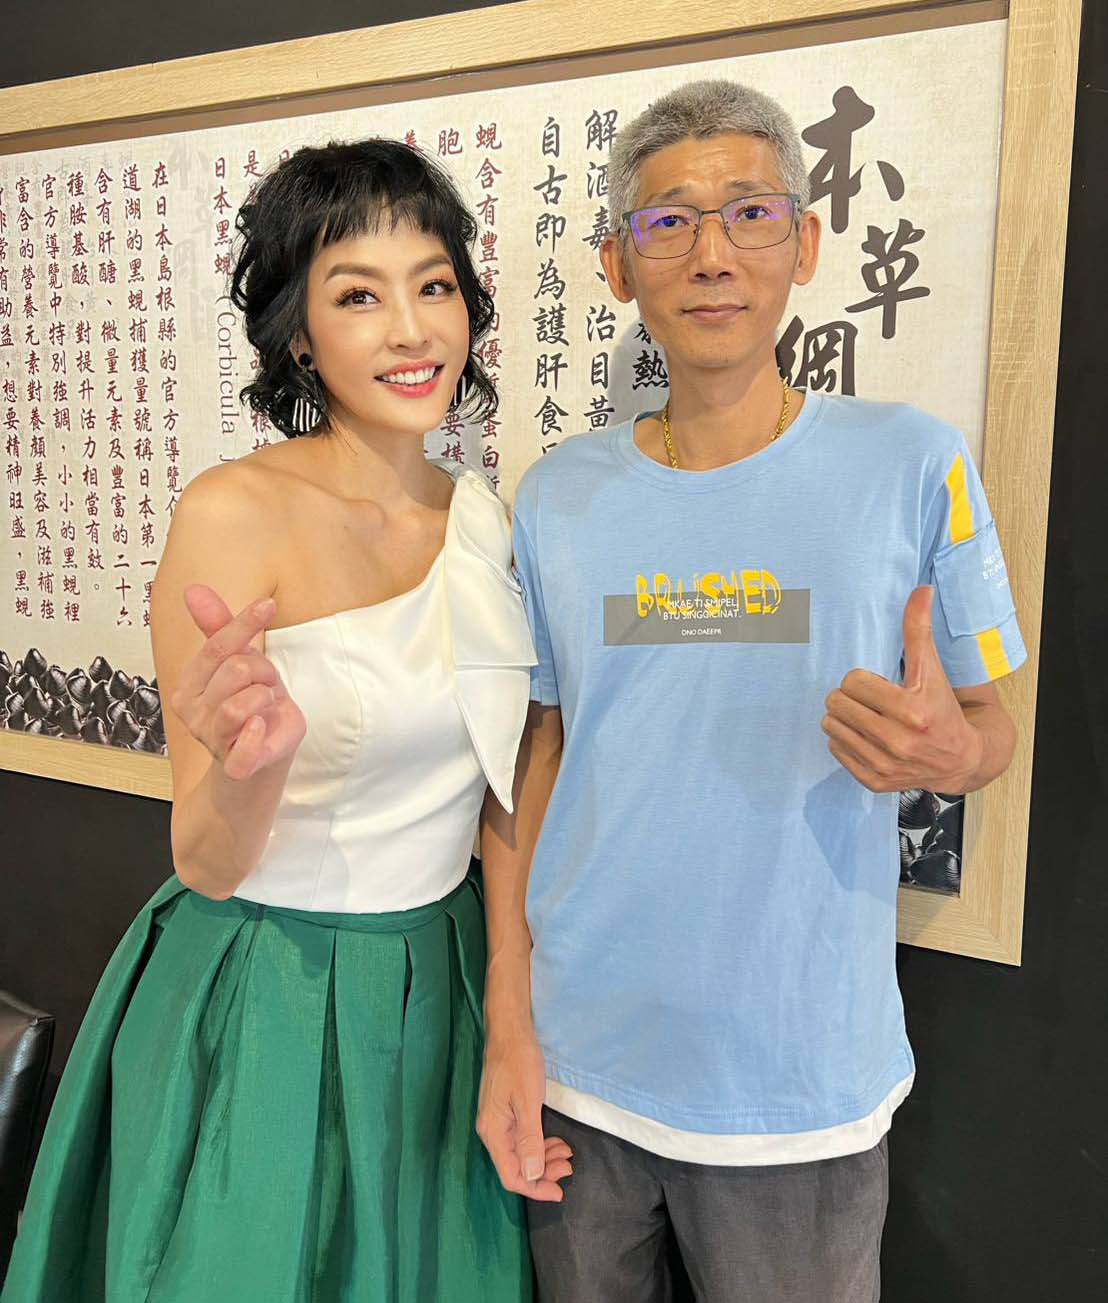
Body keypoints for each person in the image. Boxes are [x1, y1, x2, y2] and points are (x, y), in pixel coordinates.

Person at [478, 80, 1024, 1303]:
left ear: (805, 243)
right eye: (668, 221)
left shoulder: (910, 462)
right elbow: (536, 757)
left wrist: (952, 753)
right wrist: (510, 1021)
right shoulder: (558, 496)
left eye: (750, 212)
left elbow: (990, 727)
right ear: (618, 264)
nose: (711, 253)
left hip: (797, 1087)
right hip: (580, 1071)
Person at [2, 139, 568, 1303]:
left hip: (441, 981)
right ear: (300, 335)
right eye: (357, 295)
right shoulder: (233, 512)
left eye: (433, 285)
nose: (410, 330)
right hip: (265, 988)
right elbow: (204, 858)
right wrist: (254, 767)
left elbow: (509, 786)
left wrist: (511, 1013)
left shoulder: (489, 524)